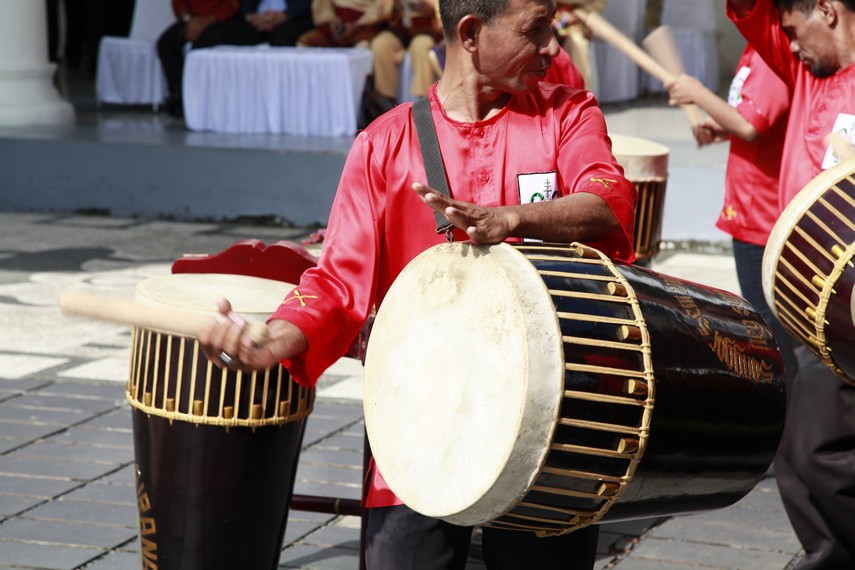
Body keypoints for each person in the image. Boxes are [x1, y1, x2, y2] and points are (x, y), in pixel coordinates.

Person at [199, 0, 637, 566]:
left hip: (550, 421)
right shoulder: (382, 145)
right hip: (424, 415)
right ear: (471, 34)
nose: (553, 45)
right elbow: (336, 281)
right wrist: (272, 339)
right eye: (536, 30)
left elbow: (610, 203)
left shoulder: (567, 113)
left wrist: (513, 218)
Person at [727, 0, 855, 567]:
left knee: (821, 450)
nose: (787, 43)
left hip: (850, 306)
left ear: (827, 11)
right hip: (803, 295)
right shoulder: (806, 67)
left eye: (793, 28)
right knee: (795, 451)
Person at [664, 44, 798, 382]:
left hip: (763, 216)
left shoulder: (770, 55)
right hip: (748, 209)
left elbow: (751, 125)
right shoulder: (754, 50)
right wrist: (721, 126)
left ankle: (792, 410)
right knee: (765, 320)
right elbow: (759, 121)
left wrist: (696, 91)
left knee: (771, 325)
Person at [157, 0, 241, 117]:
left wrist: (204, 23)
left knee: (200, 49)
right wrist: (190, 21)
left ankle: (200, 99)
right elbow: (179, 3)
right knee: (165, 43)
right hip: (192, 19)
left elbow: (231, 5)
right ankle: (178, 93)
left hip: (220, 20)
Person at [365, 0, 444, 111]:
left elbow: (443, 16)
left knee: (420, 46)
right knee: (380, 44)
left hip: (426, 29)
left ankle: (423, 100)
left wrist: (430, 9)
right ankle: (386, 99)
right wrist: (394, 6)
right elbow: (383, 13)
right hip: (401, 30)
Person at [186, 0, 314, 49]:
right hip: (256, 21)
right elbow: (243, 5)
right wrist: (250, 17)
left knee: (281, 39)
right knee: (211, 36)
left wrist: (286, 15)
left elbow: (313, 4)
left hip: (293, 18)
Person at [553, 0, 607, 89]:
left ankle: (578, 94)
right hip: (548, 16)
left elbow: (599, 2)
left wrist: (577, 14)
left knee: (577, 45)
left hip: (575, 24)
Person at [296, 0, 393, 47]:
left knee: (363, 47)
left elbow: (383, 6)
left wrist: (357, 25)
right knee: (303, 43)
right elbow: (321, 3)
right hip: (335, 24)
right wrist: (331, 21)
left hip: (364, 25)